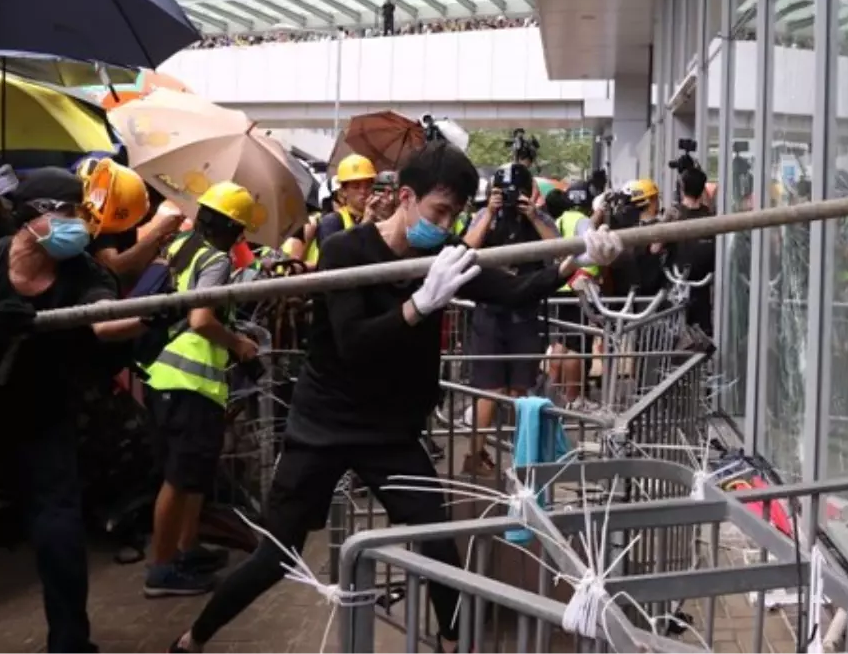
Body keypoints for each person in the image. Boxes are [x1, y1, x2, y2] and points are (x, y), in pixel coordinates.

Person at [165, 141, 622, 654]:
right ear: (406, 196)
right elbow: (355, 342)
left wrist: (575, 261)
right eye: (439, 210)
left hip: (390, 432)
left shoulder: (443, 255)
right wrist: (421, 304)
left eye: (455, 214)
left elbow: (513, 289)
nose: (446, 224)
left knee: (438, 542)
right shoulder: (346, 252)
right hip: (324, 425)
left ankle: (454, 643)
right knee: (277, 552)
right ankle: (193, 637)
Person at [0, 167, 161, 654]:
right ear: (32, 217)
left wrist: (149, 313)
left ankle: (69, 642)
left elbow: (103, 321)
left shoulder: (83, 270)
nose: (77, 226)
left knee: (59, 529)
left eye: (80, 215)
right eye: (66, 213)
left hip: (43, 414)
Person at [141, 181, 263, 598]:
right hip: (188, 379)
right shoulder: (216, 259)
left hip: (165, 375)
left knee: (192, 473)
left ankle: (187, 548)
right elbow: (200, 320)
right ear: (234, 228)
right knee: (178, 478)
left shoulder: (179, 246)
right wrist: (238, 343)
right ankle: (161, 569)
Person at [460, 162, 559, 474]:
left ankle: (525, 460)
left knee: (521, 391)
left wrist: (532, 215)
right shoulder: (483, 215)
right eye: (503, 191)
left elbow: (557, 248)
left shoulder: (539, 217)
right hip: (489, 313)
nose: (510, 196)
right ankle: (474, 457)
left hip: (526, 313)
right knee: (489, 390)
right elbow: (465, 248)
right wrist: (489, 212)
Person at [75, 157, 184, 287]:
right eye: (148, 209)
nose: (150, 217)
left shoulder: (126, 223)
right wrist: (158, 232)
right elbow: (113, 268)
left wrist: (157, 247)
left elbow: (130, 274)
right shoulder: (100, 217)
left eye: (155, 208)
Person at [547, 180, 599, 409]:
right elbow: (593, 252)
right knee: (575, 347)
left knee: (560, 344)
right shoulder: (584, 221)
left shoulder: (558, 220)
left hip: (558, 288)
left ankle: (555, 392)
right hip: (577, 290)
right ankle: (574, 398)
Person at [665, 166, 716, 336]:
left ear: (682, 188)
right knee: (703, 337)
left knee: (677, 337)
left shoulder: (674, 216)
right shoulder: (710, 218)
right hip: (703, 289)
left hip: (679, 288)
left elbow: (654, 247)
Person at [317, 155, 379, 246]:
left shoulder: (378, 217)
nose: (363, 191)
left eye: (368, 186)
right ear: (343, 191)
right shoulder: (332, 222)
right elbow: (334, 257)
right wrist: (364, 225)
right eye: (356, 187)